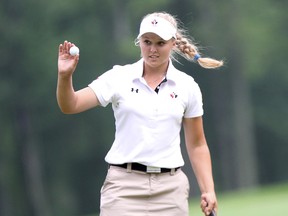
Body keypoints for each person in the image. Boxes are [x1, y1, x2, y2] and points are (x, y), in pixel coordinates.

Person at [57, 11, 223, 216]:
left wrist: (208, 190)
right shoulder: (119, 77)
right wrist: (65, 77)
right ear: (139, 42)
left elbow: (197, 144)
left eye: (160, 43)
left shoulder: (187, 86)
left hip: (170, 190)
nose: (152, 49)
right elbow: (71, 105)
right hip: (123, 189)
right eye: (147, 42)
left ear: (173, 44)